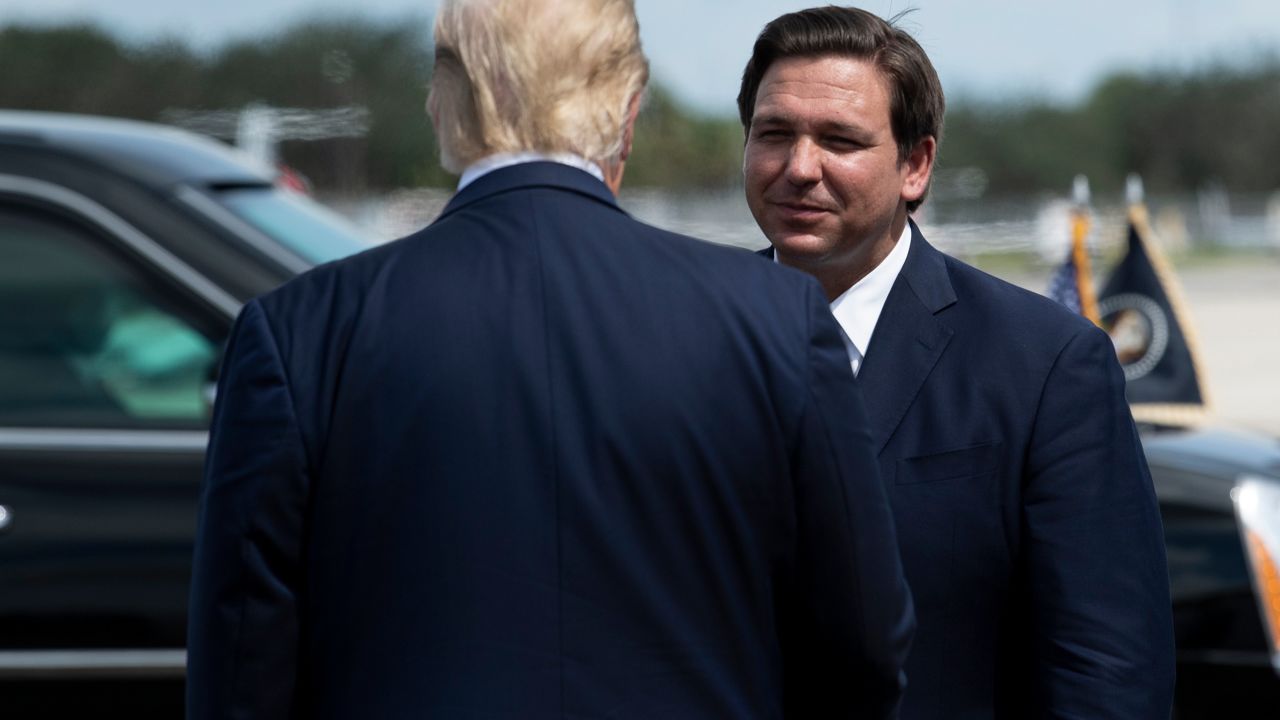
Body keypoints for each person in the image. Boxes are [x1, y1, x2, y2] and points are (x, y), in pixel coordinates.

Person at [186, 1, 914, 718]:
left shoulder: (298, 332)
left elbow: (244, 663)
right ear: (628, 113)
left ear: (444, 106)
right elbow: (863, 643)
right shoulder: (775, 318)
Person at [739, 7, 1174, 719]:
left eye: (840, 140)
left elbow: (1107, 672)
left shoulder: (1045, 367)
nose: (799, 168)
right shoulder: (682, 342)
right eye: (774, 134)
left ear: (916, 165)